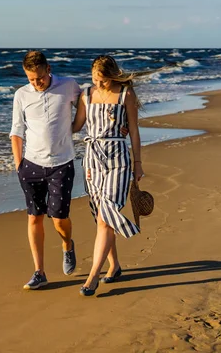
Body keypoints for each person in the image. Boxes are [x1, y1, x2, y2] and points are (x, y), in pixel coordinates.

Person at [72, 55, 151, 296]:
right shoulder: (86, 94)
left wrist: (138, 163)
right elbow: (75, 127)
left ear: (113, 75)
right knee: (100, 216)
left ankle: (92, 277)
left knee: (107, 214)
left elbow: (134, 132)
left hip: (118, 158)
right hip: (92, 159)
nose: (99, 84)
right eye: (95, 79)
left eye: (103, 80)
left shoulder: (125, 94)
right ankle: (114, 266)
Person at [10, 50, 80, 290]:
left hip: (62, 163)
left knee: (59, 219)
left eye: (39, 78)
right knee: (34, 217)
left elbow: (91, 106)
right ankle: (39, 271)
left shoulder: (69, 86)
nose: (36, 83)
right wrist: (19, 164)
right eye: (31, 79)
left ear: (48, 69)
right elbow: (16, 131)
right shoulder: (21, 94)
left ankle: (67, 245)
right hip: (31, 165)